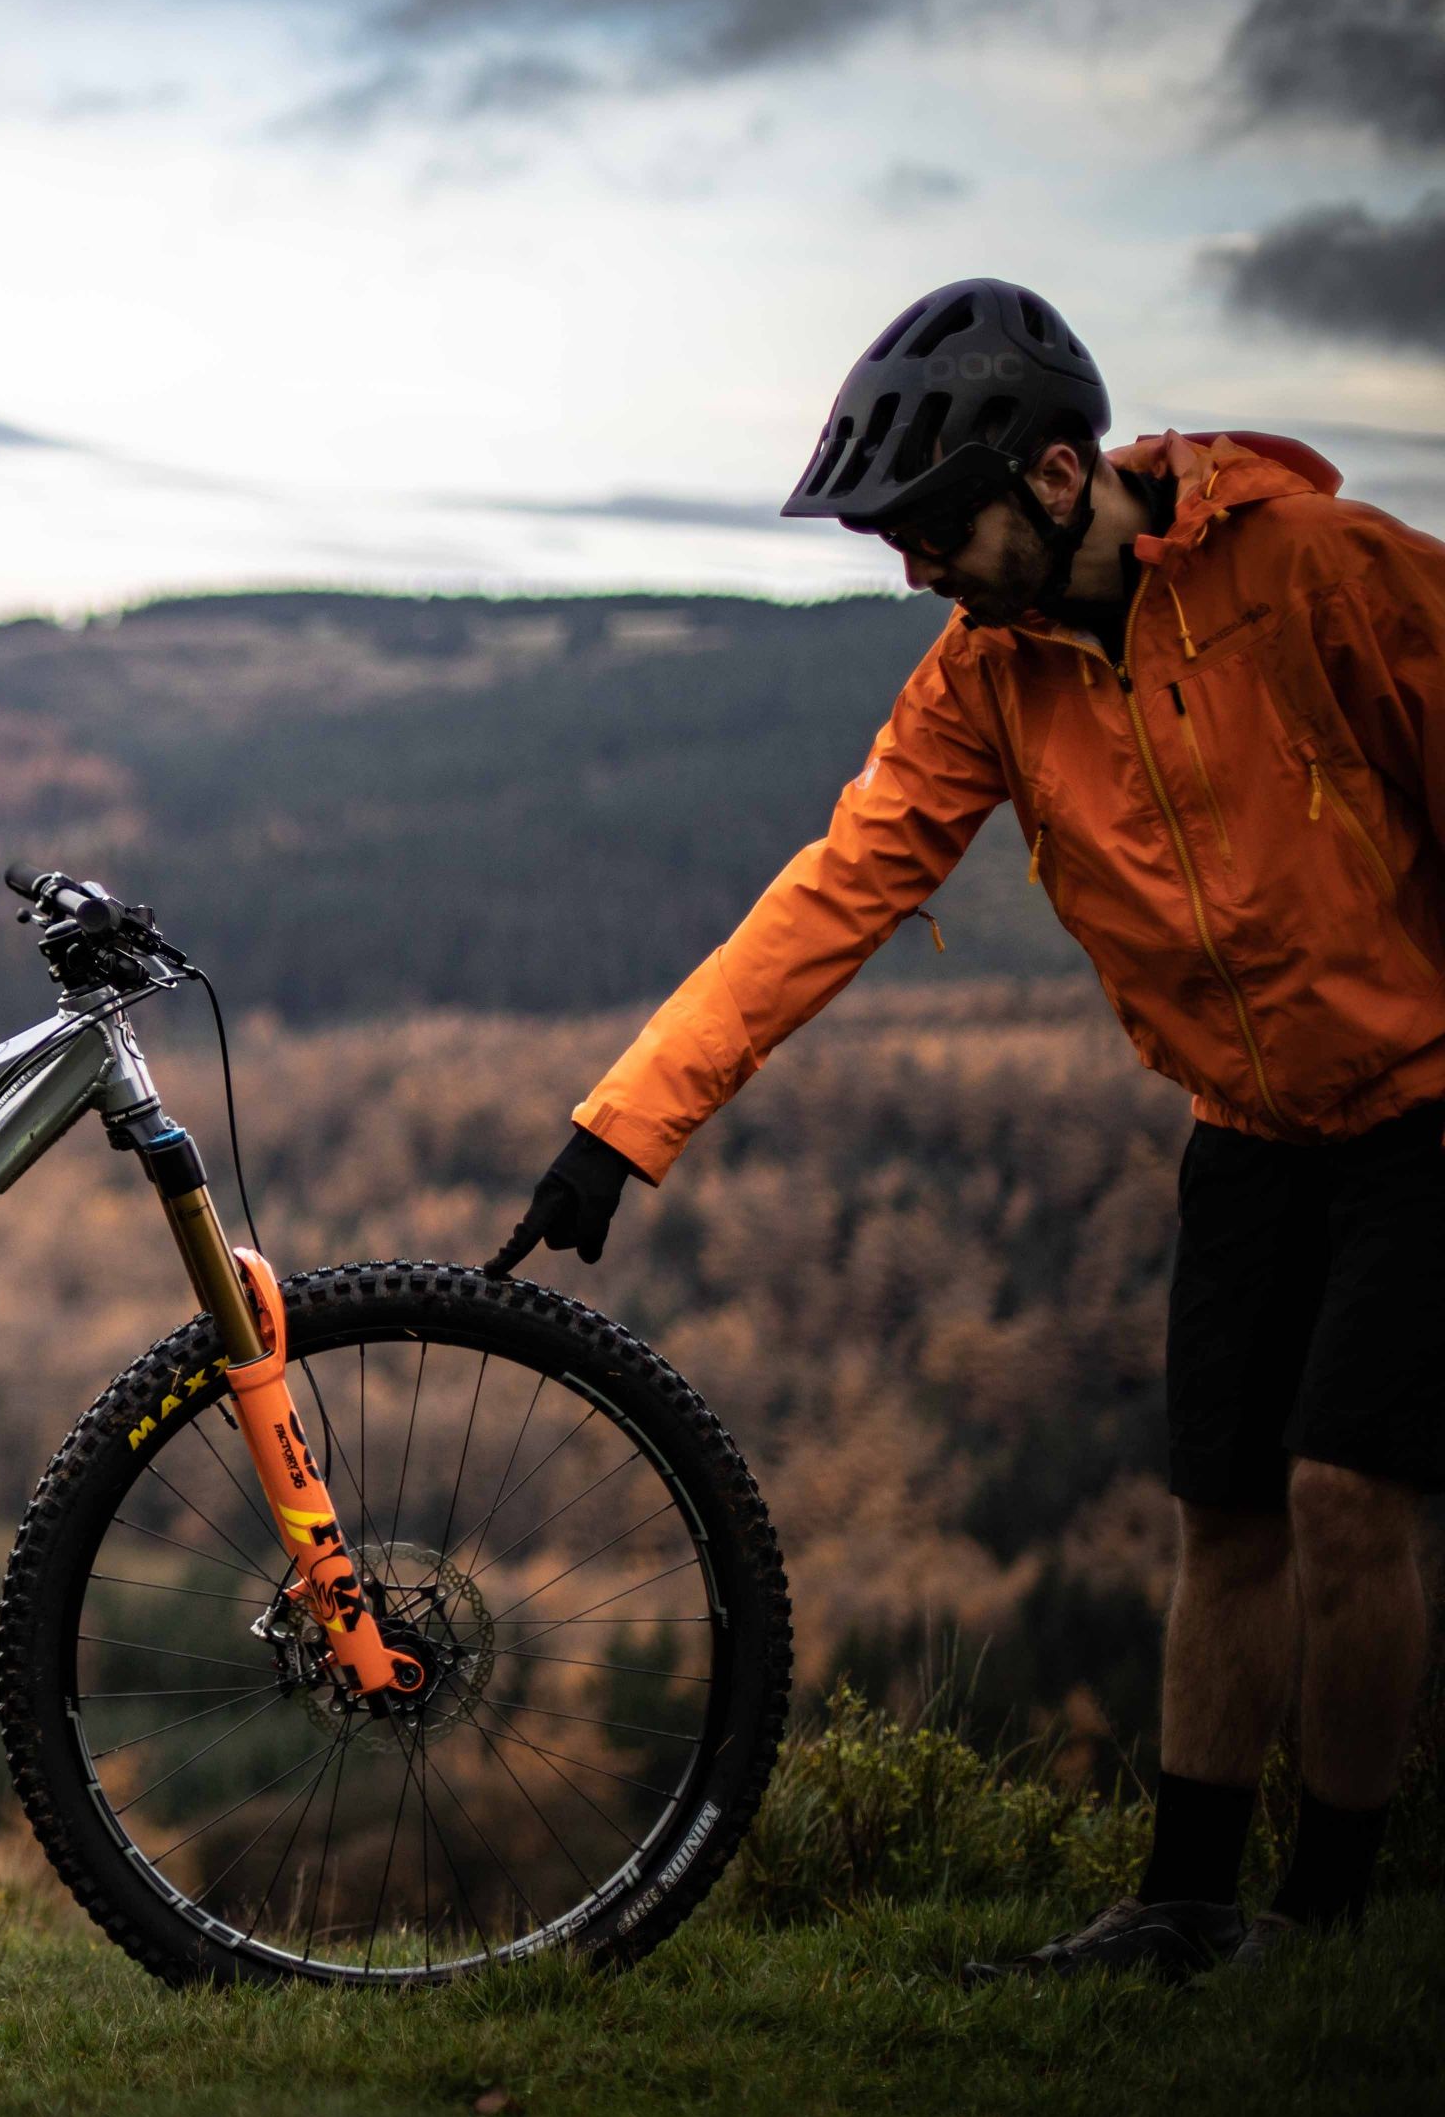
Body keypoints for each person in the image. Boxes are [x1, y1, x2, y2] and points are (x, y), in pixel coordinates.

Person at [489, 278, 1445, 1980]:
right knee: (1225, 1513)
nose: (913, 567)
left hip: (1429, 1112)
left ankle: (1330, 1923)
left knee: (1346, 1494)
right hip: (1247, 1128)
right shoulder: (986, 681)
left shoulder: (1320, 575)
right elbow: (835, 894)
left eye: (935, 527)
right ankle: (1183, 1903)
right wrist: (623, 1126)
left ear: (1060, 477)